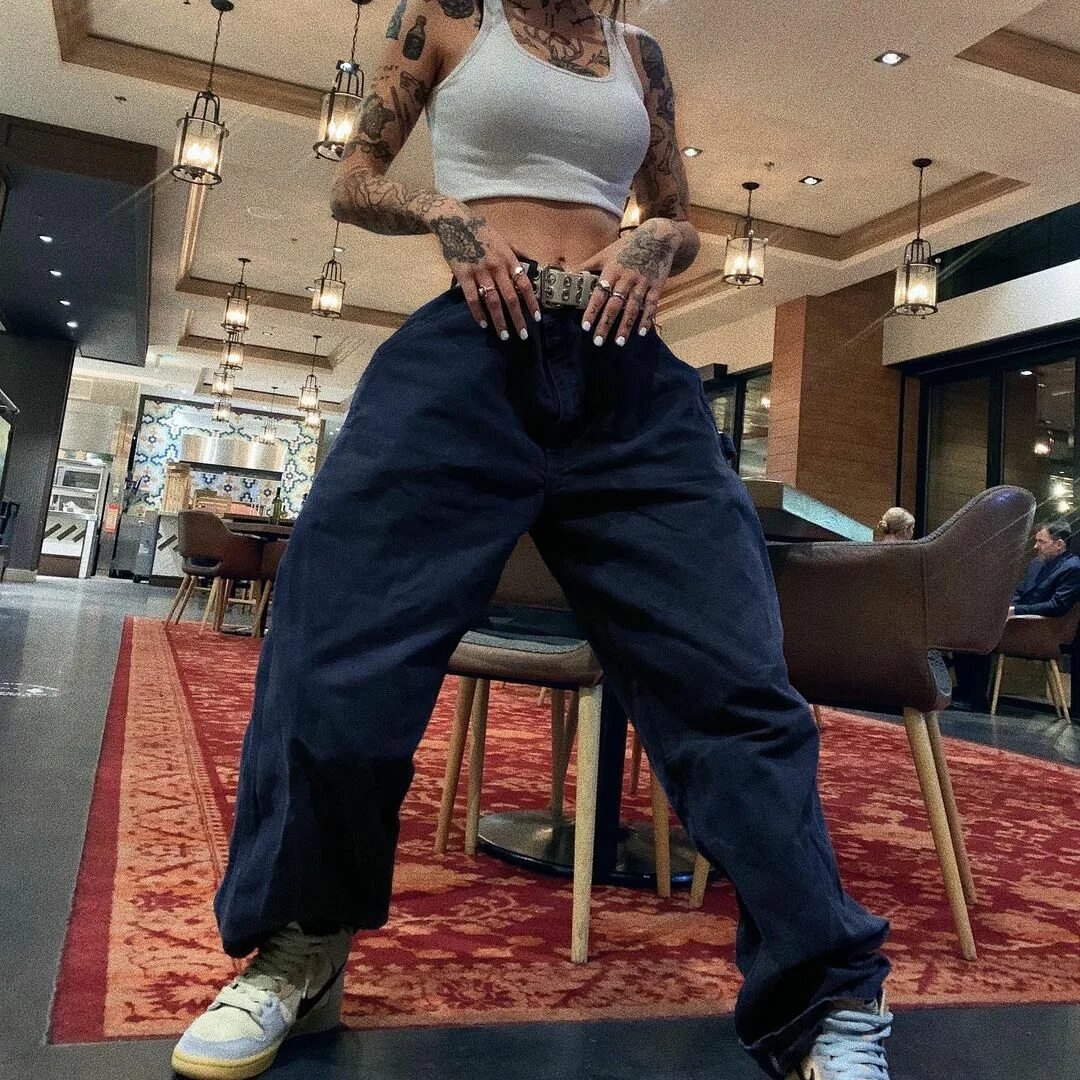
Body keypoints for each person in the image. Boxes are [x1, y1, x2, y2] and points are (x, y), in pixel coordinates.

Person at [172, 3, 891, 1079]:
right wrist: (446, 213)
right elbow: (353, 180)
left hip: (625, 367)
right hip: (470, 351)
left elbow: (678, 217)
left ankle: (824, 999)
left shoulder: (638, 53)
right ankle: (301, 949)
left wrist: (656, 238)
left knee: (732, 677)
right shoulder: (444, 18)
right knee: (332, 648)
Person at [953, 520, 1080, 709]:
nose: (1035, 546)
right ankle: (966, 691)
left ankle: (976, 698)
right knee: (966, 629)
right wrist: (1001, 607)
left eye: (1041, 541)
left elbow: (1056, 606)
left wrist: (1016, 611)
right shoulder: (1036, 564)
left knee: (980, 634)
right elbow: (1020, 592)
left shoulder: (1073, 568)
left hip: (1042, 632)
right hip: (1020, 624)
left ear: (1059, 544)